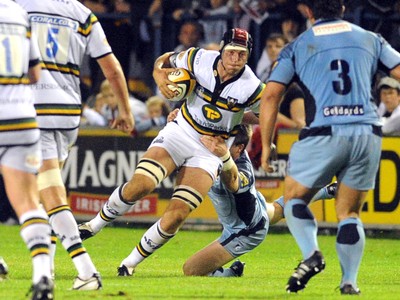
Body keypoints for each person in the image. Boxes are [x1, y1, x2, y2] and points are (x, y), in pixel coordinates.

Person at [78, 28, 266, 274]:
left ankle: (129, 264)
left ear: (248, 55)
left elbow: (266, 114)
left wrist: (240, 116)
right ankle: (93, 225)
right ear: (221, 49)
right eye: (231, 52)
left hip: (210, 150)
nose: (235, 59)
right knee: (141, 184)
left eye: (242, 54)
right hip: (181, 131)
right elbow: (162, 61)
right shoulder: (198, 58)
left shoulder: (252, 87)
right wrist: (160, 77)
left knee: (178, 213)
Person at [259, 0, 400, 295]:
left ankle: (311, 254)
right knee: (349, 212)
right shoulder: (371, 38)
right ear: (344, 9)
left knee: (295, 198)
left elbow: (271, 95)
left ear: (308, 12)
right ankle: (349, 282)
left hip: (323, 131)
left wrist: (266, 142)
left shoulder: (297, 46)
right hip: (367, 132)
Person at [16, 0, 135, 290]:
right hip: (69, 112)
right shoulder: (82, 13)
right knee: (48, 193)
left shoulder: (16, 7)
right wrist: (126, 110)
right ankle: (46, 270)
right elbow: (112, 68)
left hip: (35, 108)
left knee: (50, 194)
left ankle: (86, 271)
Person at [0, 0, 53, 298]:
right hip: (21, 117)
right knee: (28, 203)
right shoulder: (18, 13)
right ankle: (43, 274)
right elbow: (35, 74)